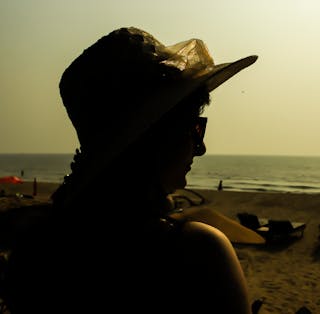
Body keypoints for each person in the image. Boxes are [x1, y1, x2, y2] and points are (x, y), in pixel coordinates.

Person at [4, 27, 257, 313]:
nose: (201, 148)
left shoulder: (34, 252)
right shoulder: (198, 251)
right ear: (157, 138)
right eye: (195, 129)